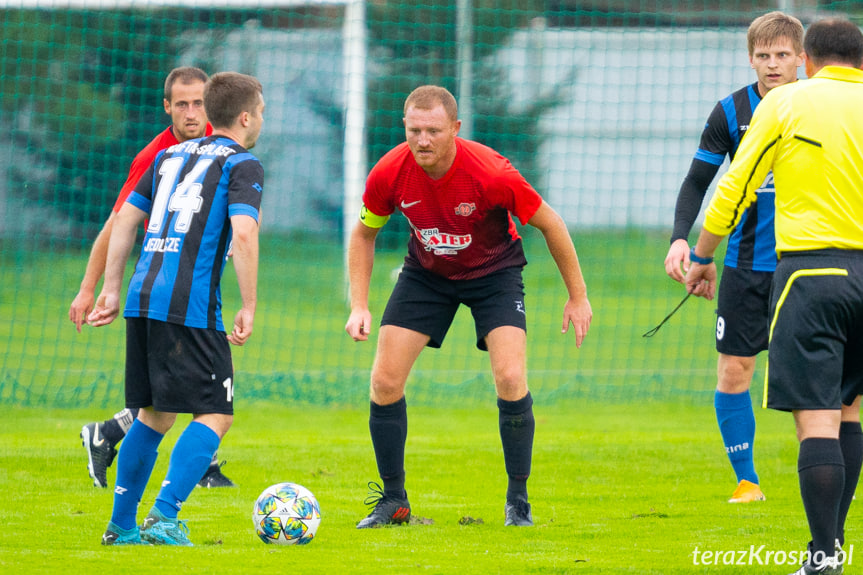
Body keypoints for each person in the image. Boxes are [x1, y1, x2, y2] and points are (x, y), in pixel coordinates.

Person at [344, 85, 592, 528]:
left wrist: (577, 296)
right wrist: (358, 304)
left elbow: (551, 224)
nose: (422, 140)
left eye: (433, 131)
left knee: (511, 376)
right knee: (383, 381)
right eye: (414, 130)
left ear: (455, 129)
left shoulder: (491, 173)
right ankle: (393, 502)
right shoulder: (389, 172)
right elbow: (364, 234)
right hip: (426, 274)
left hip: (494, 275)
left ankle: (518, 502)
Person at [684, 18, 863, 575]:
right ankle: (831, 543)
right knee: (851, 410)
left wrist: (702, 253)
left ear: (808, 61)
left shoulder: (784, 106)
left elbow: (734, 186)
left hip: (812, 273)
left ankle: (825, 553)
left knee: (818, 420)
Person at [88, 71, 265, 546]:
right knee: (215, 414)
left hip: (142, 298)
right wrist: (249, 304)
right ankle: (164, 518)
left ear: (209, 111)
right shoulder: (242, 163)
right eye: (262, 112)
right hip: (189, 307)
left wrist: (110, 287)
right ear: (246, 116)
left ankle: (122, 526)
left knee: (154, 414)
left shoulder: (168, 155)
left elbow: (125, 218)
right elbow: (244, 234)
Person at [70, 67, 234, 489]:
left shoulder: (222, 143)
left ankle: (110, 436)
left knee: (188, 383)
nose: (193, 112)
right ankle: (193, 470)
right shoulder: (154, 156)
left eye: (200, 102)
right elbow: (117, 223)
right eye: (182, 104)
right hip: (164, 285)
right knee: (198, 385)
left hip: (199, 281)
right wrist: (93, 289)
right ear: (167, 108)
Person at [664, 11, 804, 504]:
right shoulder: (729, 112)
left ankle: (834, 477)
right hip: (746, 269)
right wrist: (683, 238)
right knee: (733, 371)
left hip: (806, 266)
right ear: (750, 59)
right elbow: (697, 182)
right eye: (763, 56)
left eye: (782, 55)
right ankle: (747, 481)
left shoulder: (819, 109)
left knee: (829, 381)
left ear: (801, 59)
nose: (772, 64)